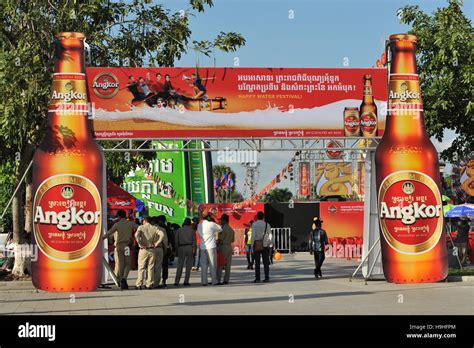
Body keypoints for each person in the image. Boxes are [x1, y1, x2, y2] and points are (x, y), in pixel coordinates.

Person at [103, 210, 138, 290]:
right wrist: (133, 237)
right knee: (128, 264)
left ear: (119, 216)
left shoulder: (117, 224)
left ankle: (120, 279)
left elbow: (109, 233)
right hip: (127, 246)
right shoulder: (130, 223)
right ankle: (124, 278)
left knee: (120, 264)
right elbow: (139, 228)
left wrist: (101, 238)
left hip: (119, 246)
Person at [135, 216, 161, 289]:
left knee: (141, 267)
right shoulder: (155, 228)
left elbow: (136, 235)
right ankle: (149, 284)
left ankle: (139, 284)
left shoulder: (141, 227)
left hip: (143, 249)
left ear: (144, 220)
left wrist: (139, 243)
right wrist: (157, 242)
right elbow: (162, 234)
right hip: (152, 249)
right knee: (151, 267)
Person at [198, 210, 222, 285]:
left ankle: (204, 281)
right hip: (211, 246)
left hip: (202, 246)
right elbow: (220, 228)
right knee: (212, 264)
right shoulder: (211, 224)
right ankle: (214, 280)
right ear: (209, 217)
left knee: (204, 265)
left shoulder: (199, 226)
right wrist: (214, 218)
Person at [251, 212, 273, 283]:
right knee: (266, 262)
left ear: (257, 217)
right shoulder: (267, 224)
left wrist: (252, 246)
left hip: (257, 244)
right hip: (265, 245)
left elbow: (253, 235)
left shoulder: (254, 224)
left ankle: (257, 278)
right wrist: (270, 244)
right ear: (263, 217)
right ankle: (267, 277)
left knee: (257, 263)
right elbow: (270, 235)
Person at [174, 218, 196, 286]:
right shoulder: (192, 231)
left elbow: (176, 241)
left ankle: (177, 281)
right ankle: (186, 281)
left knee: (180, 265)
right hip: (189, 247)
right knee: (188, 266)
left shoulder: (179, 230)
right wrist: (194, 251)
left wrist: (176, 251)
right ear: (189, 224)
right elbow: (194, 242)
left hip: (181, 247)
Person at [216, 214, 235, 285]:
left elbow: (220, 239)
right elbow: (233, 240)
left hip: (223, 246)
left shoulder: (223, 228)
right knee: (228, 264)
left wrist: (217, 246)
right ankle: (226, 280)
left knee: (220, 264)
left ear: (224, 220)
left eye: (221, 220)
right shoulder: (231, 229)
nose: (220, 221)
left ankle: (218, 279)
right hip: (229, 246)